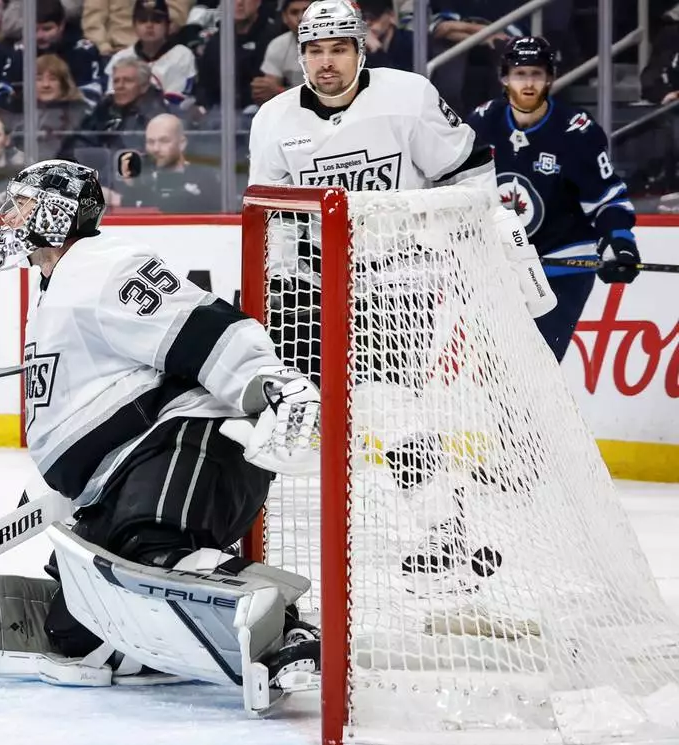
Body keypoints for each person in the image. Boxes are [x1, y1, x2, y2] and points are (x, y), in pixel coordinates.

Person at [0, 159, 323, 705]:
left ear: (55, 212)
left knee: (149, 554)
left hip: (191, 443)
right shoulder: (57, 286)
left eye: (22, 205)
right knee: (77, 628)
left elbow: (201, 327)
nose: (9, 217)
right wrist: (62, 485)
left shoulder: (103, 265)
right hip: (134, 466)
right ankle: (196, 622)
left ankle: (288, 630)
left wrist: (275, 384)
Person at [246, 1, 556, 585]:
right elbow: (272, 214)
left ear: (361, 51)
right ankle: (446, 526)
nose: (327, 62)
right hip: (318, 283)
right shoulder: (274, 120)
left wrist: (481, 242)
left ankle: (443, 528)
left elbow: (469, 172)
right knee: (351, 412)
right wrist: (280, 280)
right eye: (315, 50)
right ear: (301, 56)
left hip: (403, 274)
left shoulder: (408, 96)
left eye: (339, 49)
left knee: (387, 405)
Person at [468, 36, 640, 362]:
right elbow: (456, 185)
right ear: (504, 78)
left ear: (550, 78)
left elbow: (607, 199)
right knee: (493, 369)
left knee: (537, 367)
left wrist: (619, 240)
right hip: (502, 266)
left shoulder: (575, 132)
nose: (528, 83)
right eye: (520, 74)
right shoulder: (483, 122)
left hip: (560, 266)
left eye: (536, 74)